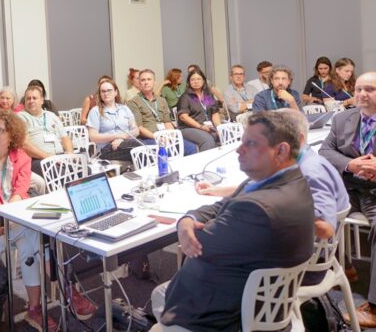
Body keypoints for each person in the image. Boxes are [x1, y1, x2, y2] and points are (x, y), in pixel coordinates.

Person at [152, 111, 315, 331]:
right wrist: (189, 219)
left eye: (250, 143)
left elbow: (199, 245)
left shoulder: (257, 208)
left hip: (223, 315)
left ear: (281, 150)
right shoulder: (288, 181)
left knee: (159, 297)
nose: (239, 150)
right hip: (261, 299)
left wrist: (187, 226)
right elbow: (221, 206)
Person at [0, 109, 96, 331]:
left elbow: (20, 190)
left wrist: (9, 214)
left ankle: (35, 309)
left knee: (32, 243)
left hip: (14, 218)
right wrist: (2, 213)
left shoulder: (21, 158)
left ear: (11, 136)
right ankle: (68, 291)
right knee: (36, 236)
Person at [197, 108, 348, 243]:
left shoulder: (310, 171)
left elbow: (325, 228)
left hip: (304, 251)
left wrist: (267, 212)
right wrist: (216, 190)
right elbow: (266, 189)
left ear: (298, 139)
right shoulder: (297, 162)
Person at [320, 71, 376, 327]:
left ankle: (374, 307)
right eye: (359, 89)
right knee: (316, 212)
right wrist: (350, 164)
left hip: (374, 190)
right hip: (348, 186)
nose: (363, 94)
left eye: (370, 90)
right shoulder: (342, 118)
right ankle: (340, 266)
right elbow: (325, 151)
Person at [127, 70, 198, 156]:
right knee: (169, 152)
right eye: (143, 80)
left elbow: (167, 122)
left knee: (191, 148)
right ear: (139, 83)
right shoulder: (133, 102)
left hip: (166, 135)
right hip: (149, 138)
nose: (146, 82)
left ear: (154, 82)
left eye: (149, 79)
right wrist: (158, 138)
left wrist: (171, 136)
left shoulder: (161, 100)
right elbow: (140, 128)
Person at [86, 78, 151, 163]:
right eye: (103, 91)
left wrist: (122, 139)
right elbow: (93, 137)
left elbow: (136, 130)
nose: (106, 93)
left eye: (109, 90)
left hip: (126, 142)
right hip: (107, 148)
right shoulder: (95, 111)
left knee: (149, 146)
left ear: (116, 92)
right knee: (141, 147)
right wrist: (117, 136)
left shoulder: (124, 108)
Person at [19, 85, 72, 177]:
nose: (31, 101)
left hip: (59, 156)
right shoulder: (21, 117)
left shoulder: (51, 115)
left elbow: (65, 138)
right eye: (28, 99)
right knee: (62, 175)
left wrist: (70, 154)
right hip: (38, 159)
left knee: (85, 169)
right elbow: (25, 145)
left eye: (34, 98)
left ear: (42, 100)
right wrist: (49, 157)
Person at [176, 68, 221, 151]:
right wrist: (200, 126)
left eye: (198, 79)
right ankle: (205, 163)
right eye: (192, 79)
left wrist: (219, 128)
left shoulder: (208, 96)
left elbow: (215, 113)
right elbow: (183, 117)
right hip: (189, 128)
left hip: (207, 126)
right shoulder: (185, 97)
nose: (196, 82)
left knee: (226, 135)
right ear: (189, 82)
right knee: (208, 140)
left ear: (203, 81)